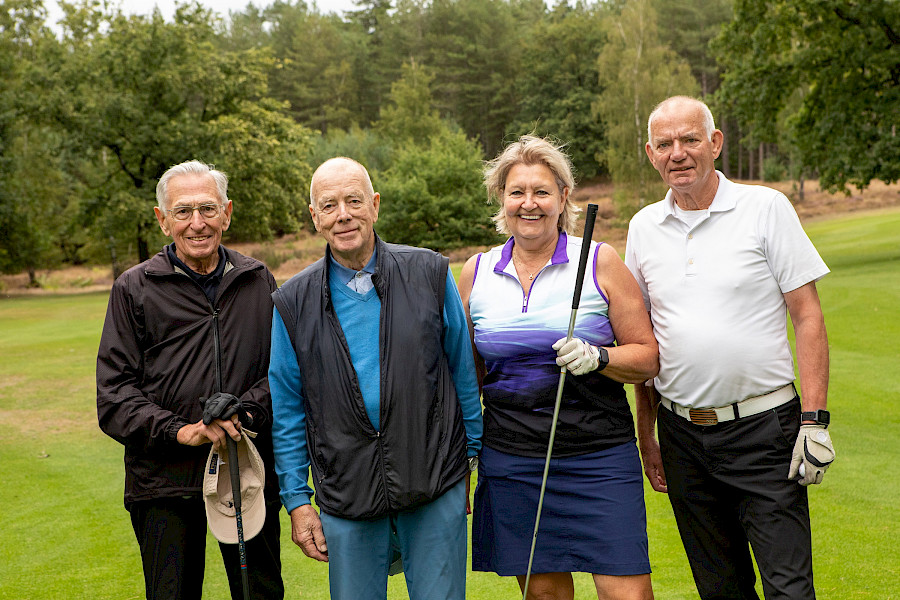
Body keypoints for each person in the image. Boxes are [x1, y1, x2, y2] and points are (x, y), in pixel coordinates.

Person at [626, 96, 836, 599]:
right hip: (682, 437)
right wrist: (647, 433)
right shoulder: (642, 228)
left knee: (788, 589)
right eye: (665, 144)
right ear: (651, 153)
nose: (678, 153)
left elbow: (806, 314)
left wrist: (815, 420)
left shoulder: (764, 208)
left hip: (767, 433)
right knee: (720, 589)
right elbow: (646, 342)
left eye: (690, 139)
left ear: (715, 143)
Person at [268, 157, 483, 600]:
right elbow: (288, 408)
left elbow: (462, 371)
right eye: (329, 205)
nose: (343, 214)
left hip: (434, 479)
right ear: (315, 217)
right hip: (346, 491)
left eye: (354, 200)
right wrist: (297, 499)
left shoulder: (429, 272)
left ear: (375, 205)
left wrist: (468, 461)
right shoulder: (291, 301)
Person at [458, 135, 659, 600]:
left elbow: (647, 355)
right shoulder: (477, 272)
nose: (529, 204)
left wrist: (600, 357)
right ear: (501, 199)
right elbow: (466, 377)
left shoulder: (599, 262)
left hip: (599, 457)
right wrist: (461, 460)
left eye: (542, 192)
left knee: (628, 593)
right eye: (517, 192)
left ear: (564, 197)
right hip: (512, 461)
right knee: (545, 595)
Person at [96, 160, 284, 600]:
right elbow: (114, 394)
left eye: (208, 209)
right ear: (162, 220)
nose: (197, 223)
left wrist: (243, 413)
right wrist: (183, 431)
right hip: (163, 482)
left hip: (245, 473)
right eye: (182, 211)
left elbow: (282, 373)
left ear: (227, 213)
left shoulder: (257, 280)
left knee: (260, 594)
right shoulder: (134, 288)